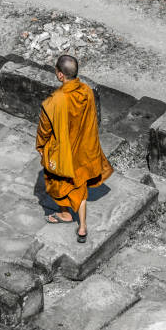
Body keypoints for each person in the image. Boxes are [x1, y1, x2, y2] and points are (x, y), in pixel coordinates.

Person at [36, 55, 113, 243]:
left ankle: (73, 219)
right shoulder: (86, 90)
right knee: (79, 186)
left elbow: (45, 129)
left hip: (64, 150)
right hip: (83, 148)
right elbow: (91, 119)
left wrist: (41, 146)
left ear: (60, 75)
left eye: (56, 70)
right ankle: (76, 222)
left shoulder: (55, 101)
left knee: (60, 182)